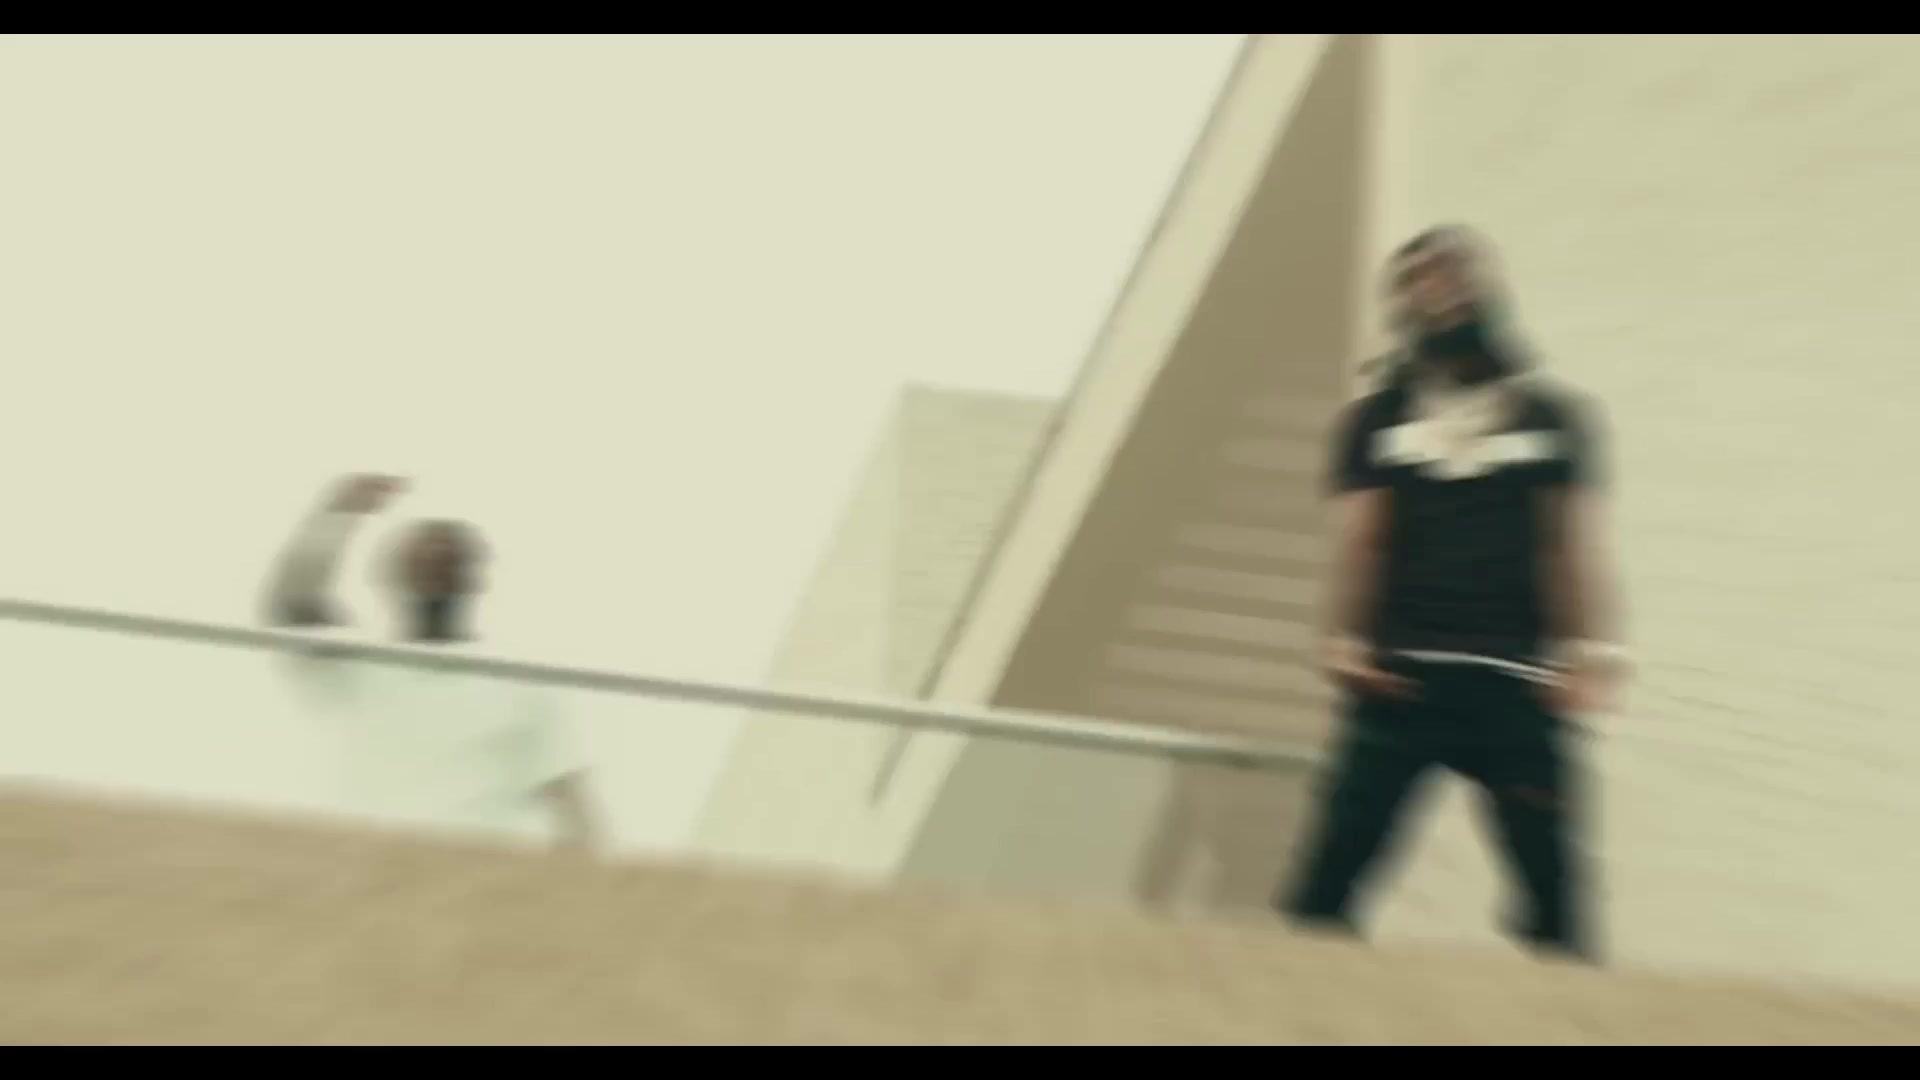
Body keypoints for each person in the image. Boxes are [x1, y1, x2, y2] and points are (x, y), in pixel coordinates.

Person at [1277, 227, 1625, 962]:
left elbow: (1567, 542)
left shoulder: (1553, 417)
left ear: (1487, 292)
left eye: (1454, 276)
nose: (1440, 291)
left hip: (1515, 688)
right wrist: (1341, 638)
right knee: (1321, 896)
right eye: (1421, 281)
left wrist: (1593, 652)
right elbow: (1362, 538)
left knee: (1559, 910)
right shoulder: (1375, 420)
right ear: (1403, 305)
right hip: (1399, 686)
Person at [261, 474, 603, 854]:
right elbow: (292, 606)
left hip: (474, 870)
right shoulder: (357, 665)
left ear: (472, 578)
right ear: (393, 577)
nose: (434, 572)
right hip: (365, 864)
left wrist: (585, 883)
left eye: (447, 562)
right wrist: (337, 516)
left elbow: (571, 803)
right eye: (421, 562)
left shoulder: (520, 683)